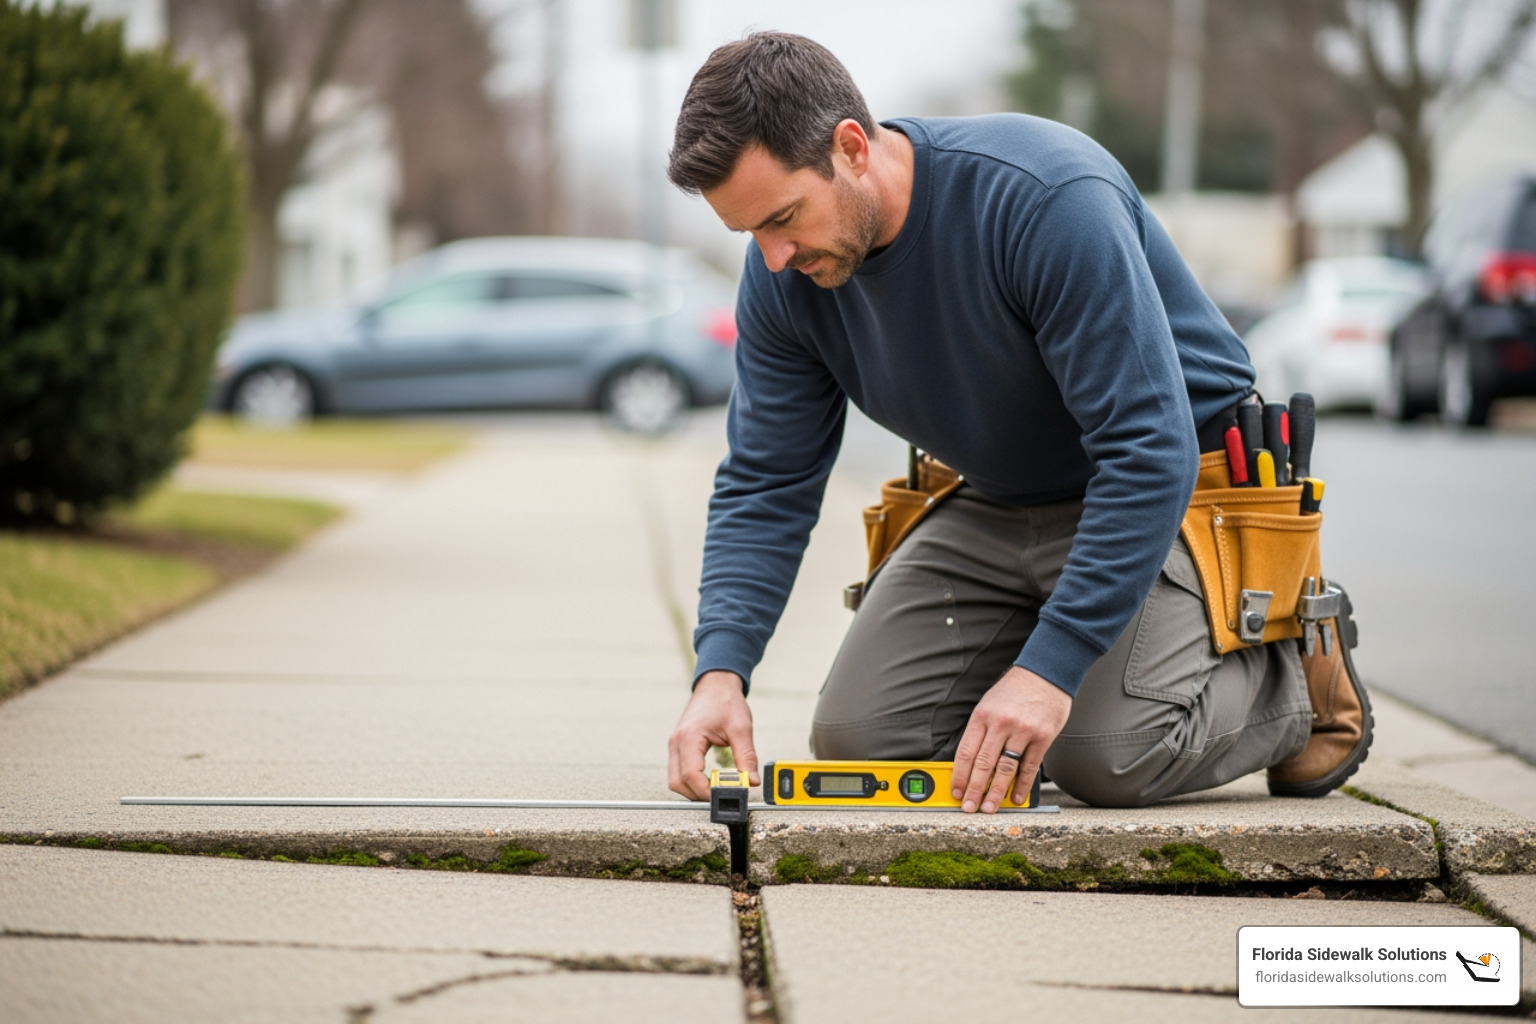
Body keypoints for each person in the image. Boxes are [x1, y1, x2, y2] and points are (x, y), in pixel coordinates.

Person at [663, 31, 1371, 811]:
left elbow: (1146, 451)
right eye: (750, 233)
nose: (771, 257)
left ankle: (1294, 671)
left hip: (1173, 496)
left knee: (1104, 754)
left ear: (852, 147)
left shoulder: (1044, 198)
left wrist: (1050, 670)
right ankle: (1072, 668)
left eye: (784, 217)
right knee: (862, 742)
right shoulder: (783, 279)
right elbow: (768, 478)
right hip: (1002, 501)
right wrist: (719, 673)